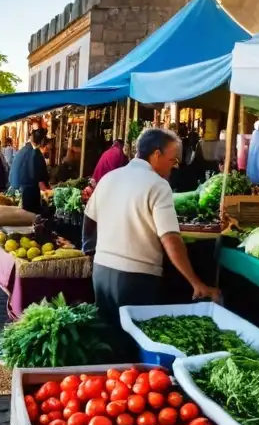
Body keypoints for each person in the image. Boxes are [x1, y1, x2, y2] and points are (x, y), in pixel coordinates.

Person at [82, 128, 218, 323]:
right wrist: (195, 282)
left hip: (102, 272)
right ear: (156, 154)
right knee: (135, 340)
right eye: (173, 160)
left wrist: (89, 250)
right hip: (135, 279)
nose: (174, 166)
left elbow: (89, 219)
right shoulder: (158, 185)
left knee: (109, 336)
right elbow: (170, 238)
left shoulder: (110, 177)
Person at [9, 128, 50, 215]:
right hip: (28, 194)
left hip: (16, 189)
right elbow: (40, 179)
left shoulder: (23, 150)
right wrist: (48, 191)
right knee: (29, 219)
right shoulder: (35, 153)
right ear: (42, 140)